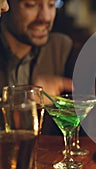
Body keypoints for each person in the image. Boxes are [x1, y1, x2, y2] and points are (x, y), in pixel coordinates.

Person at [0, 0, 75, 135]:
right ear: (6, 6)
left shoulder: (61, 48)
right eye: (30, 5)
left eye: (51, 5)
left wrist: (61, 100)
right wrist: (25, 99)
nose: (45, 17)